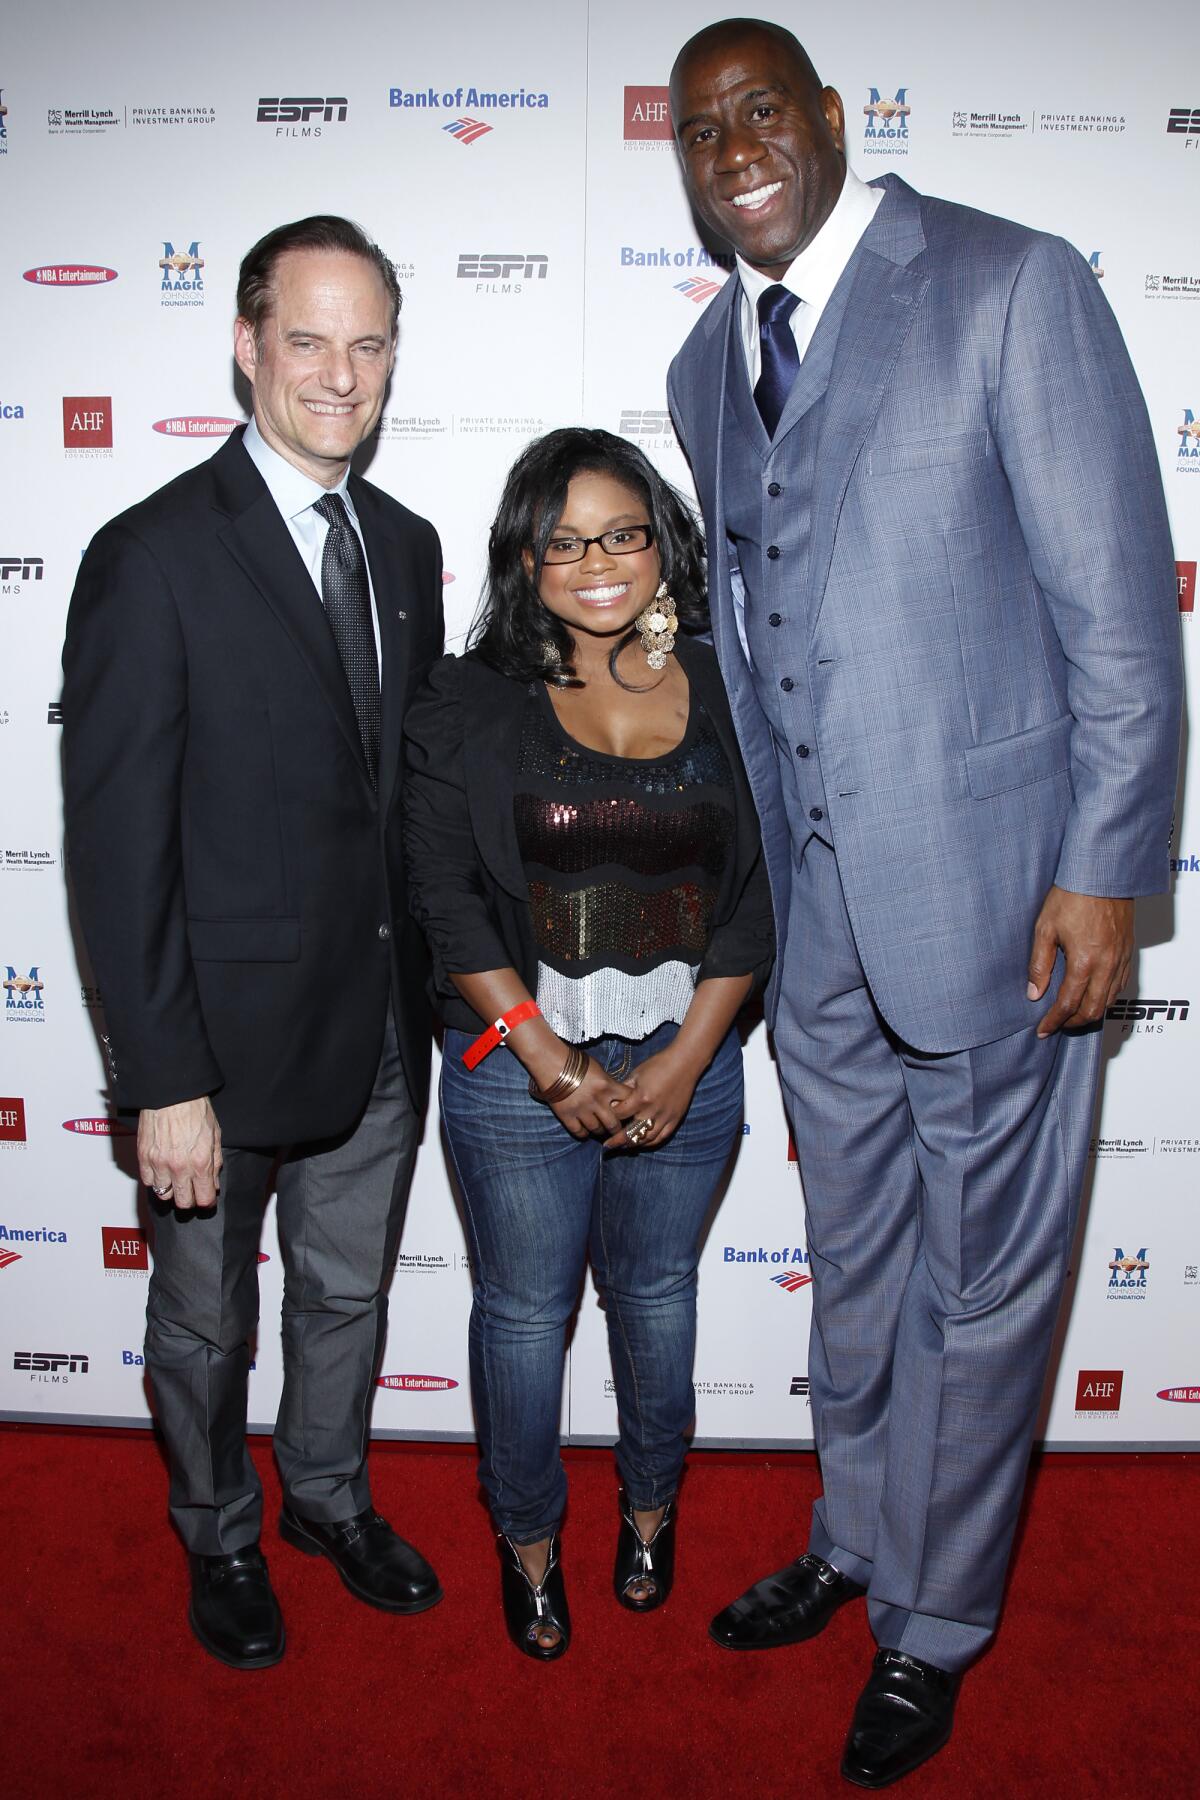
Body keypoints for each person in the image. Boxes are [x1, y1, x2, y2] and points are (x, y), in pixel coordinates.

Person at [667, 18, 1182, 1787]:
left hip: (1003, 916)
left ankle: (938, 1621)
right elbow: (752, 652)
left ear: (829, 118)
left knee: (984, 1286)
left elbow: (1121, 614)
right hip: (820, 930)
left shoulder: (1006, 284)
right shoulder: (698, 367)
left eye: (762, 109)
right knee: (861, 1270)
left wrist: (1109, 872)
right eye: (698, 126)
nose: (733, 144)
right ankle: (857, 1539)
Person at [62, 216, 446, 1670]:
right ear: (245, 345)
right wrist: (161, 1076)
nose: (340, 374)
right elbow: (115, 851)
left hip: (374, 1036)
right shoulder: (148, 555)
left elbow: (396, 806)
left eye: (368, 343)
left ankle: (326, 1500)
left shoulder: (402, 545)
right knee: (205, 1327)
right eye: (308, 339)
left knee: (346, 1296)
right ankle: (218, 1530)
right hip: (212, 1063)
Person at [404, 426, 773, 1660]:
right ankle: (526, 1541)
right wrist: (551, 1063)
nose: (597, 562)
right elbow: (445, 897)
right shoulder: (468, 699)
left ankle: (652, 1516)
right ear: (524, 559)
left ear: (662, 541)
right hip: (518, 1071)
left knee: (658, 1298)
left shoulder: (731, 686)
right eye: (563, 541)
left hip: (694, 1052)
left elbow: (761, 895)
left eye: (621, 532)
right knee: (523, 1314)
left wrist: (682, 1062)